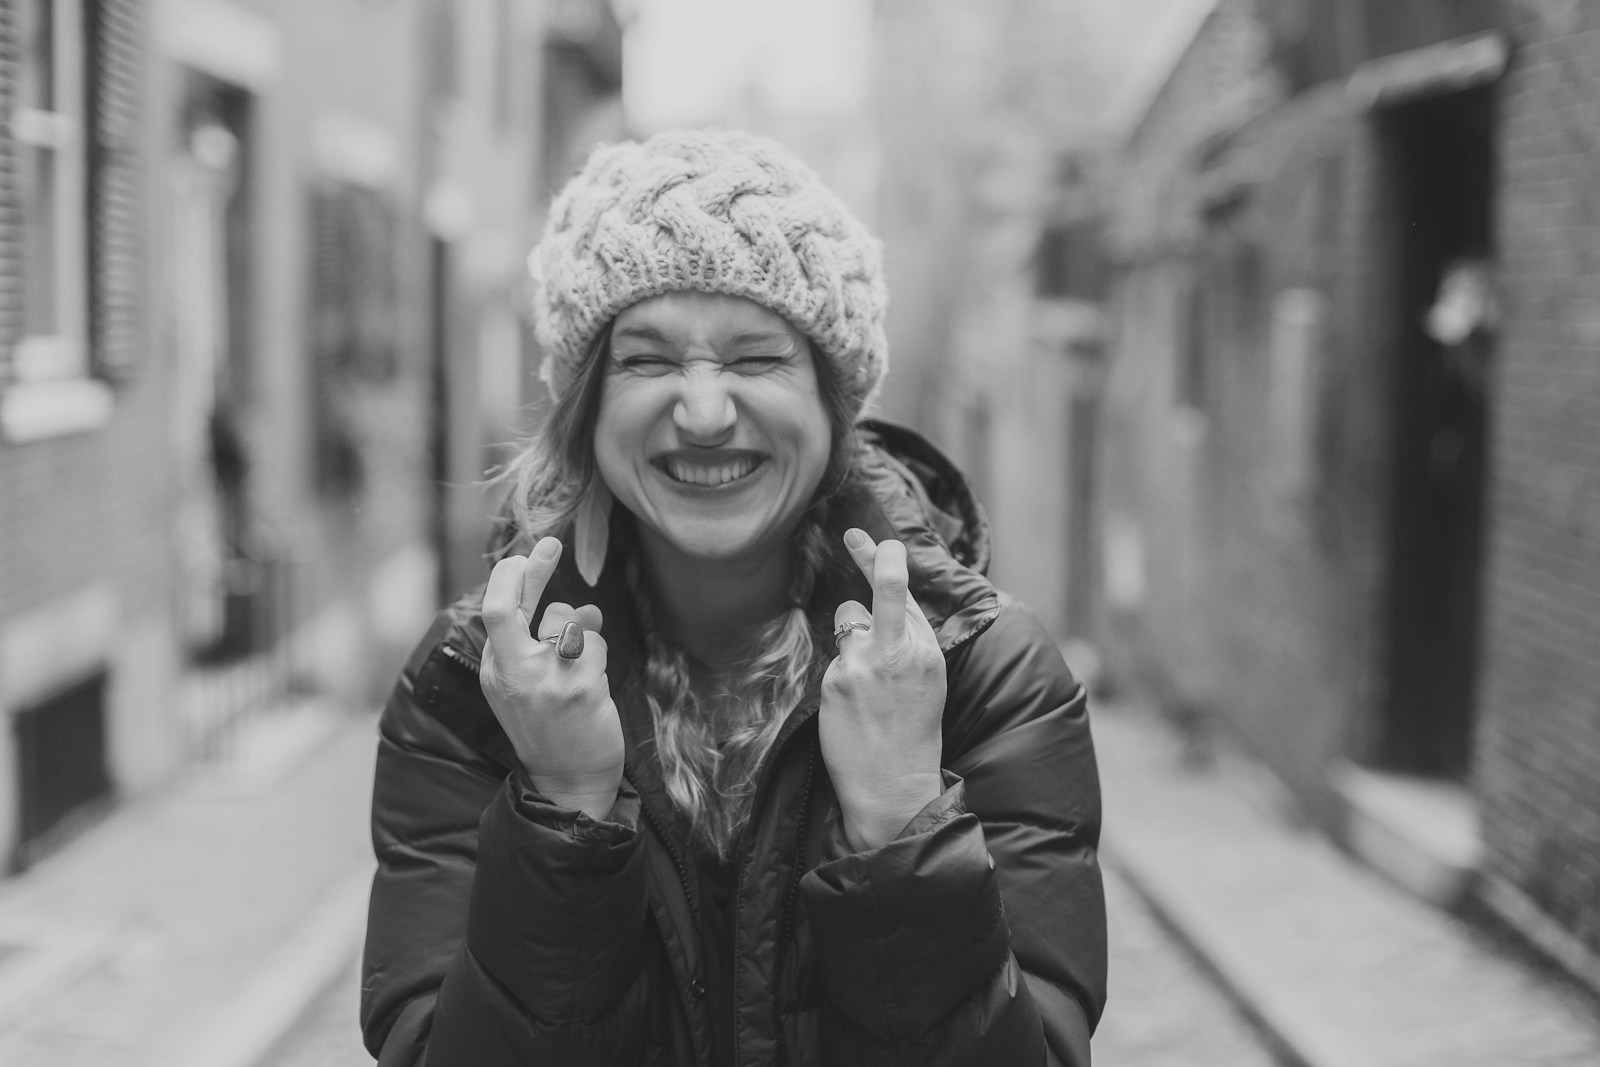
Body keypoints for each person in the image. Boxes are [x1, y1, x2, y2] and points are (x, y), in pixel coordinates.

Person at [361, 128, 1107, 1066]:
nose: (705, 412)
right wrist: (563, 810)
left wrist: (902, 821)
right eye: (647, 358)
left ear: (835, 406)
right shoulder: (469, 690)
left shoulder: (988, 677)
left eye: (757, 359)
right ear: (586, 404)